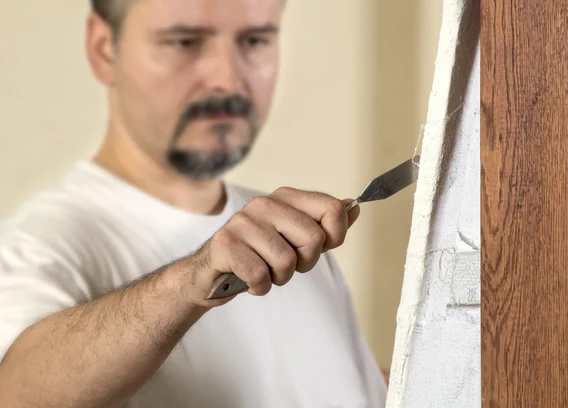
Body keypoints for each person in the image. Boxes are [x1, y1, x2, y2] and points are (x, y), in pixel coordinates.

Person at [0, 1, 388, 407]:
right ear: (103, 49)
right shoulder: (38, 247)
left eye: (255, 41)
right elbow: (15, 393)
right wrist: (191, 281)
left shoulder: (298, 237)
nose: (228, 79)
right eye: (184, 42)